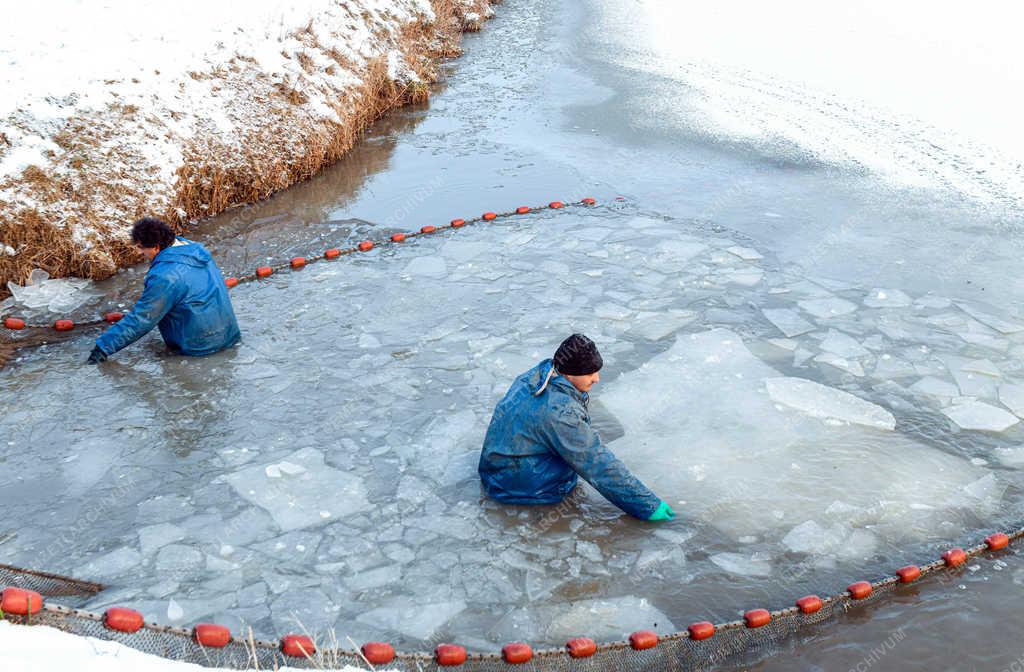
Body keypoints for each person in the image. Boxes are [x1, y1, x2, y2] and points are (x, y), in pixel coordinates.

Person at [478, 333, 675, 521]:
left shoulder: (535, 376)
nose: (596, 378)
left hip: (495, 473)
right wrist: (648, 506)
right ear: (570, 373)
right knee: (588, 452)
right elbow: (597, 464)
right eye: (589, 373)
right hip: (526, 490)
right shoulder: (560, 413)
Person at [87, 218, 241, 363]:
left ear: (156, 247)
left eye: (141, 247)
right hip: (230, 336)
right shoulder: (194, 249)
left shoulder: (165, 277)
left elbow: (142, 318)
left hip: (199, 349)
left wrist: (103, 348)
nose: (140, 252)